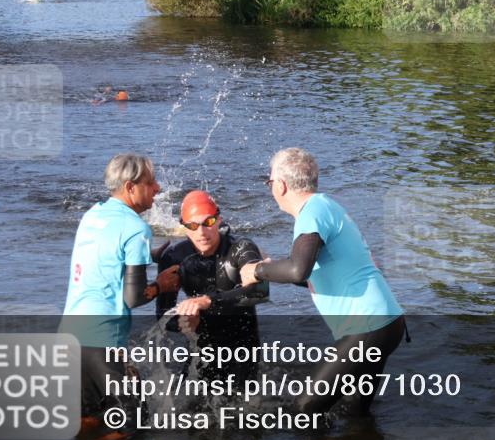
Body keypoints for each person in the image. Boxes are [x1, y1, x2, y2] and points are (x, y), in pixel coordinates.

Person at [240, 148, 406, 415]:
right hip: (385, 324)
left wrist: (256, 270)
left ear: (281, 186)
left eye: (269, 182)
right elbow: (316, 277)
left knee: (305, 410)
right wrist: (272, 268)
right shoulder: (326, 206)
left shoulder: (312, 212)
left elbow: (297, 271)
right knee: (354, 413)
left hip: (368, 328)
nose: (270, 188)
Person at [61, 153, 180, 422]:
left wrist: (149, 255)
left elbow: (105, 255)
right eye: (151, 183)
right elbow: (134, 297)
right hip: (102, 342)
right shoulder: (136, 228)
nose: (158, 188)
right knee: (135, 421)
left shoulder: (93, 214)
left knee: (87, 419)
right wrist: (161, 286)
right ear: (130, 187)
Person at [155, 191, 268, 382]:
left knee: (238, 407)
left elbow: (260, 291)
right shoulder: (174, 257)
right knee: (187, 406)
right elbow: (162, 314)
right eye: (193, 225)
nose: (201, 232)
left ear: (218, 220)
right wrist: (183, 323)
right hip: (200, 347)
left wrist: (207, 301)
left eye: (208, 222)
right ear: (184, 227)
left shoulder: (240, 248)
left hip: (242, 344)